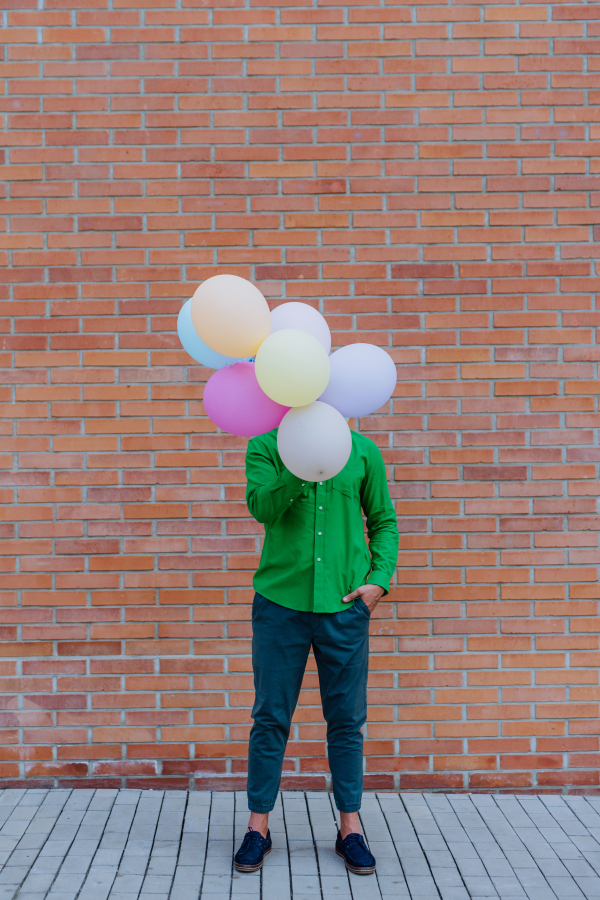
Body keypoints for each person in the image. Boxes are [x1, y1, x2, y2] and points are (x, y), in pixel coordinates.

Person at [233, 425, 399, 876]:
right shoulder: (264, 445)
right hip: (280, 604)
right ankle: (258, 828)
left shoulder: (364, 451)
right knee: (270, 717)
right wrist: (301, 465)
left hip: (344, 607)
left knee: (347, 721)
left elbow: (383, 521)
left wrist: (378, 581)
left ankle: (350, 829)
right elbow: (261, 508)